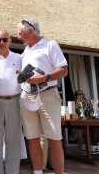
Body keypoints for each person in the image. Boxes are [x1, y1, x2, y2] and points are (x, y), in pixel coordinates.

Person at [17, 18, 68, 174]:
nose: (18, 37)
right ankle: (38, 172)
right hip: (27, 96)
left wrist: (44, 78)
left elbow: (64, 70)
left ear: (30, 32)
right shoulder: (25, 51)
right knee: (32, 139)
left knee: (54, 139)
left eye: (20, 34)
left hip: (47, 95)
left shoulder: (50, 45)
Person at [0, 30, 23, 174]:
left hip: (15, 102)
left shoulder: (19, 58)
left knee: (13, 141)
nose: (1, 42)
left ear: (10, 41)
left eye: (4, 39)